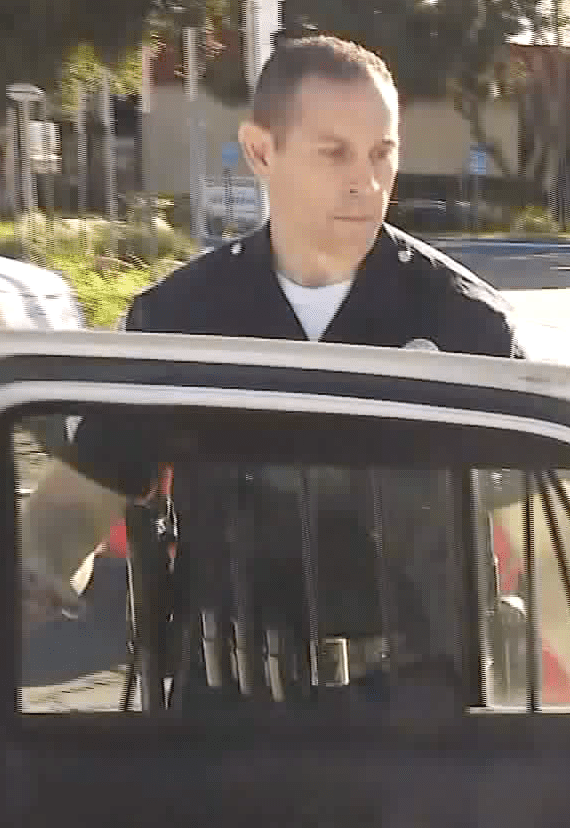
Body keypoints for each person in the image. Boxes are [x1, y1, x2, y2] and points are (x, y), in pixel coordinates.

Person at [18, 33, 531, 709]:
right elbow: (76, 506)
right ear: (262, 151)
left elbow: (541, 537)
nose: (367, 181)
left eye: (384, 153)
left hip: (417, 735)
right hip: (228, 730)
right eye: (335, 152)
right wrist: (37, 568)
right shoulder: (182, 322)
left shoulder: (464, 326)